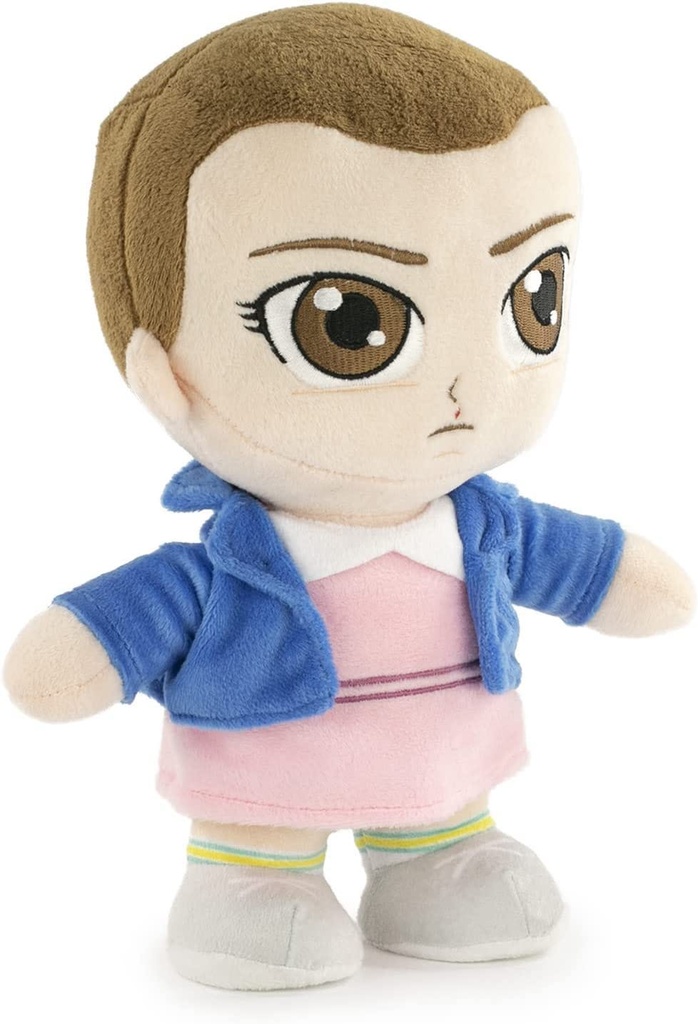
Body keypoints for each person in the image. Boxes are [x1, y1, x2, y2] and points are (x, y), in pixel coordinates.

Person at [4, 3, 694, 992]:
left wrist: (626, 580)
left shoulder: (482, 522)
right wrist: (87, 647)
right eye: (348, 321)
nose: (466, 387)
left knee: (447, 829)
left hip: (443, 770)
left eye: (531, 300)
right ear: (162, 365)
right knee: (260, 864)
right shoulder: (239, 559)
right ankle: (249, 878)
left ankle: (436, 857)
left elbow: (591, 567)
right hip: (262, 791)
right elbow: (104, 638)